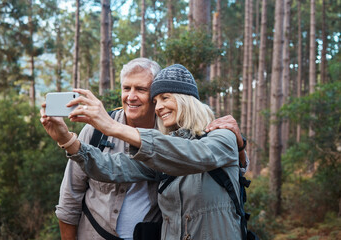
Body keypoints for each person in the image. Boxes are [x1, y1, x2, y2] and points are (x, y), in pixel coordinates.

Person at [43, 59, 247, 240]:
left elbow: (194, 155)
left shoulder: (223, 136)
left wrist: (113, 127)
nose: (158, 107)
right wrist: (67, 139)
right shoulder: (162, 153)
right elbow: (112, 167)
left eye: (165, 98)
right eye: (156, 100)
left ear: (185, 99)